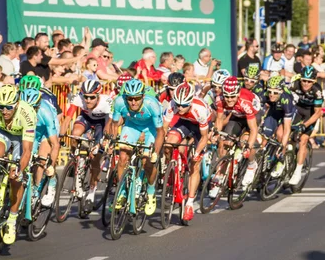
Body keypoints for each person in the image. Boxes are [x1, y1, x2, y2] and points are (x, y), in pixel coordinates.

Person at [0, 85, 37, 244]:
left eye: (9, 107)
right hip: (3, 133)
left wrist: (20, 170)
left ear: (16, 103)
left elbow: (27, 151)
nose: (4, 111)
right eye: (1, 107)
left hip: (22, 138)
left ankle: (12, 220)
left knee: (16, 179)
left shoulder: (27, 113)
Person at [109, 79, 165, 215]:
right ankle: (122, 192)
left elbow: (160, 132)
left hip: (150, 128)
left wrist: (155, 153)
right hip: (131, 126)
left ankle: (151, 193)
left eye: (137, 98)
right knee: (122, 157)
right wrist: (111, 141)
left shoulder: (152, 105)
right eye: (130, 99)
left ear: (143, 96)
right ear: (125, 97)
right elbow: (115, 124)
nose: (133, 102)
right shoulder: (119, 102)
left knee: (147, 161)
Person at [163, 82, 211, 221]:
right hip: (184, 123)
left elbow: (204, 137)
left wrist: (197, 154)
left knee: (195, 164)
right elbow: (164, 127)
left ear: (190, 101)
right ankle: (171, 169)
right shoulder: (174, 104)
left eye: (184, 105)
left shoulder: (199, 109)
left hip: (199, 128)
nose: (179, 107)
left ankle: (189, 203)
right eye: (177, 104)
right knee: (169, 143)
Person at [63, 80, 113, 211]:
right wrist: (61, 135)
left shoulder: (106, 102)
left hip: (102, 124)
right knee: (75, 134)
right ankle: (75, 158)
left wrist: (104, 140)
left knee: (95, 157)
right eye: (86, 97)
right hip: (86, 119)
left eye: (92, 97)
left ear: (98, 96)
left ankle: (91, 191)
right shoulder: (78, 98)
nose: (88, 100)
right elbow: (68, 118)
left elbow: (109, 124)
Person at [214, 76, 260, 187]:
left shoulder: (245, 102)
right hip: (237, 115)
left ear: (238, 94)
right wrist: (216, 133)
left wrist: (248, 147)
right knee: (225, 142)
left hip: (253, 115)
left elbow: (253, 129)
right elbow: (220, 119)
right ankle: (221, 175)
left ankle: (251, 164)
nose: (229, 100)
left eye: (232, 96)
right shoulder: (220, 99)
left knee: (247, 141)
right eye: (227, 97)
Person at [20, 88, 60, 207]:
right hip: (32, 132)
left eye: (32, 108)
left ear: (37, 105)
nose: (29, 111)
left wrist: (51, 166)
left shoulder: (45, 112)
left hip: (46, 132)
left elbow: (55, 144)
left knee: (42, 159)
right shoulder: (20, 110)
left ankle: (48, 184)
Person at [288, 66, 324, 185]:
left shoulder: (317, 90)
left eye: (309, 81)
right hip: (297, 110)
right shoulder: (294, 85)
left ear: (314, 81)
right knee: (288, 134)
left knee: (303, 139)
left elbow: (318, 112)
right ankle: (288, 158)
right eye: (304, 80)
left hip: (310, 113)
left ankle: (298, 171)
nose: (306, 83)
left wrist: (305, 125)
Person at [260, 75, 295, 177]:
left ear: (281, 91)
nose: (271, 95)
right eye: (269, 91)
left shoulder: (286, 99)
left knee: (280, 134)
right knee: (264, 136)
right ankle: (263, 160)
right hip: (275, 109)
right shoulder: (266, 94)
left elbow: (287, 129)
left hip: (288, 111)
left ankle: (281, 160)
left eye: (275, 93)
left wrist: (282, 146)